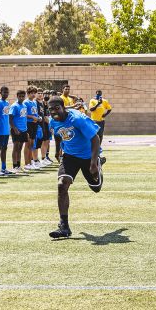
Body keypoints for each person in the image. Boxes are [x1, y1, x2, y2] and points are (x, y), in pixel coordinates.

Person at [46, 96, 105, 239]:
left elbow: (95, 138)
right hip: (69, 157)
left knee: (96, 188)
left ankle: (98, 163)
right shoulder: (53, 121)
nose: (54, 111)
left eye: (57, 108)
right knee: (62, 185)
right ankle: (64, 226)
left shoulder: (77, 119)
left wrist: (92, 163)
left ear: (63, 107)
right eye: (51, 109)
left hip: (87, 156)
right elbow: (58, 136)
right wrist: (57, 150)